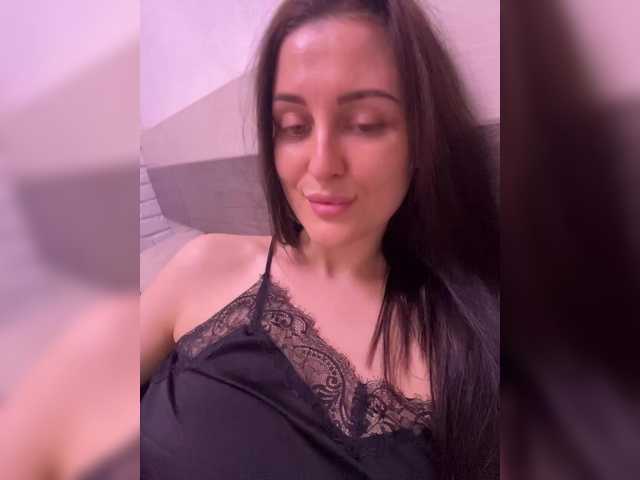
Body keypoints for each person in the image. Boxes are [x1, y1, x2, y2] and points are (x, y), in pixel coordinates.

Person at [141, 1, 499, 479]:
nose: (322, 163)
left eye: (365, 123)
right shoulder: (206, 265)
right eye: (293, 127)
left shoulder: (467, 346)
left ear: (421, 140)